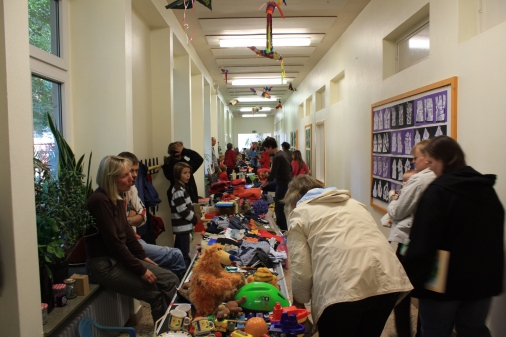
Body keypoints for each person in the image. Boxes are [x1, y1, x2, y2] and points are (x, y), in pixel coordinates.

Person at [283, 175, 413, 336]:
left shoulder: (300, 213)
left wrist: (299, 303)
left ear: (294, 199)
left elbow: (301, 270)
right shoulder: (355, 204)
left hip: (344, 292)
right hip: (387, 281)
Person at [403, 136, 504, 337]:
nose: (430, 168)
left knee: (435, 331)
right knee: (473, 330)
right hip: (482, 282)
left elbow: (423, 241)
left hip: (443, 285)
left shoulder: (438, 193)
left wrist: (413, 277)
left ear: (444, 159)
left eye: (431, 162)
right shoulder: (486, 190)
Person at [85, 156, 179, 323]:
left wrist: (142, 256)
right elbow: (114, 244)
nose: (131, 178)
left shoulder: (117, 196)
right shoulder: (99, 201)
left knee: (171, 279)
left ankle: (174, 327)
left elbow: (127, 232)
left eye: (130, 173)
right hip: (104, 265)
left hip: (117, 259)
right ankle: (167, 330)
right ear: (111, 179)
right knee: (156, 294)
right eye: (125, 176)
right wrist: (141, 269)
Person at [386, 139, 436, 337]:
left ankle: (404, 333)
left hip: (409, 243)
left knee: (401, 293)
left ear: (427, 157)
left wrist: (393, 199)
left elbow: (398, 211)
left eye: (416, 158)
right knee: (426, 293)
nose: (414, 162)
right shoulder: (440, 177)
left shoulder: (420, 179)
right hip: (430, 243)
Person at [118, 152, 186, 281]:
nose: (134, 175)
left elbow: (143, 216)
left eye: (136, 171)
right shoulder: (110, 196)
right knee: (176, 255)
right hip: (127, 244)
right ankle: (180, 295)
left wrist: (127, 220)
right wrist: (130, 219)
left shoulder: (132, 189)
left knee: (171, 267)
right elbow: (118, 226)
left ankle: (176, 290)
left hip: (134, 239)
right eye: (129, 172)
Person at [169, 162, 199, 268]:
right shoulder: (178, 190)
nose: (188, 175)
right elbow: (182, 210)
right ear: (178, 174)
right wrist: (194, 219)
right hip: (181, 229)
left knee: (181, 252)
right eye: (184, 173)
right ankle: (184, 275)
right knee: (183, 254)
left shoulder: (182, 188)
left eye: (189, 172)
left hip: (184, 228)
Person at [259, 137, 292, 231]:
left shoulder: (278, 157)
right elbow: (288, 170)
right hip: (284, 182)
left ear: (270, 147)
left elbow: (271, 177)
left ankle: (283, 229)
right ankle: (282, 227)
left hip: (282, 184)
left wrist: (261, 187)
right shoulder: (283, 154)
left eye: (266, 149)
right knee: (280, 207)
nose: (266, 151)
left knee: (279, 207)